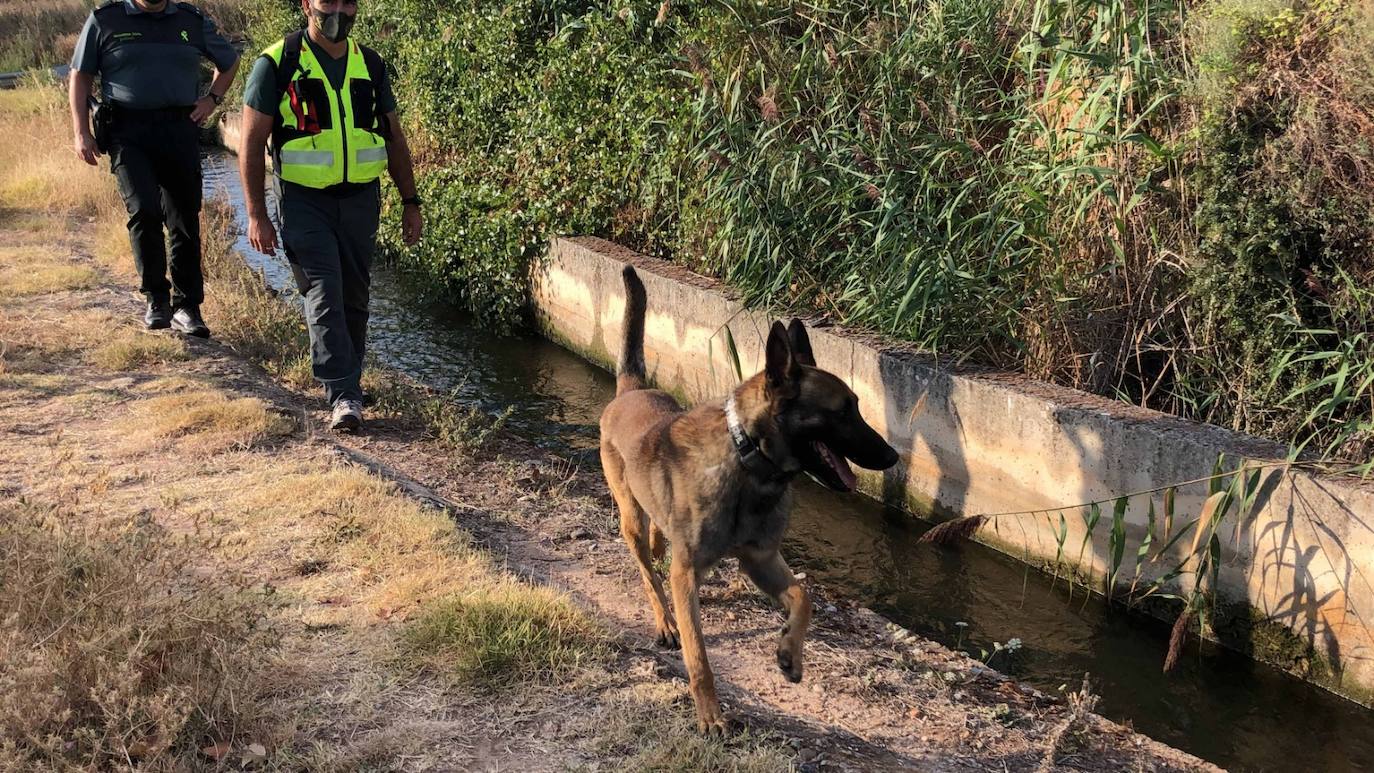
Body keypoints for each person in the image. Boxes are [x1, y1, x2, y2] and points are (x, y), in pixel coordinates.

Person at [239, 0, 422, 433]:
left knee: (355, 296)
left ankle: (349, 382)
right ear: (306, 5)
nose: (337, 10)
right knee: (323, 290)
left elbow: (394, 138)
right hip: (303, 202)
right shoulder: (277, 63)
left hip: (361, 200)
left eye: (346, 2)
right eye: (327, 2)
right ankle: (342, 393)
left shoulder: (370, 65)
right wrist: (255, 214)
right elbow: (250, 142)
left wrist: (411, 202)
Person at [69, 0, 240, 337]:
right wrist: (81, 132)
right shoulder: (106, 19)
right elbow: (80, 76)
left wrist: (212, 99)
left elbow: (230, 62)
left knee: (184, 217)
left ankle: (187, 306)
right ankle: (156, 299)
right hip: (127, 131)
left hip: (179, 127)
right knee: (144, 209)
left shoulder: (190, 19)